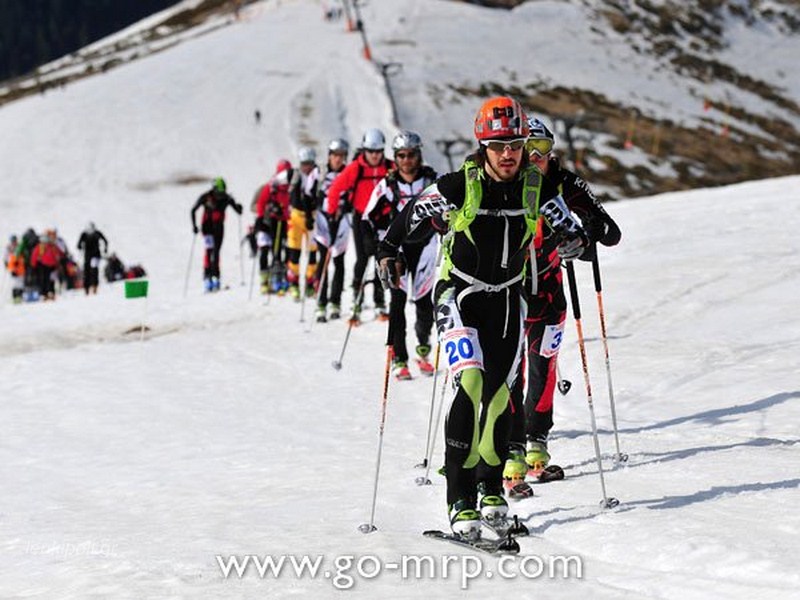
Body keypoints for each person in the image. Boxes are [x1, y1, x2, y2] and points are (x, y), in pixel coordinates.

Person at [377, 97, 588, 537]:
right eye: (497, 145)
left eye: (514, 144)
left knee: (498, 395)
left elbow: (572, 231)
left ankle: (490, 490)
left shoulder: (537, 189)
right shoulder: (460, 185)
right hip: (461, 294)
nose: (508, 153)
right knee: (471, 384)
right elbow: (411, 214)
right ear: (482, 145)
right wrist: (387, 251)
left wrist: (575, 244)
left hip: (509, 300)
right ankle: (458, 497)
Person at [503, 117, 622, 483]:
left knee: (544, 364)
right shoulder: (506, 183)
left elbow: (609, 231)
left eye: (544, 149)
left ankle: (537, 435)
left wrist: (583, 236)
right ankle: (511, 444)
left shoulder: (565, 182)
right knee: (511, 368)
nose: (537, 157)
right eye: (530, 149)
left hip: (551, 291)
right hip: (509, 292)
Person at [365, 130, 438, 380]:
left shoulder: (432, 181)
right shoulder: (387, 184)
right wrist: (380, 246)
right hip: (399, 250)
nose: (407, 160)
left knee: (424, 302)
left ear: (419, 155)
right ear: (395, 158)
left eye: (411, 155)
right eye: (401, 155)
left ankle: (424, 351)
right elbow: (368, 217)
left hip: (426, 246)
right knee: (397, 303)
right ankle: (400, 358)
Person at [324, 128, 395, 323]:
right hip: (361, 218)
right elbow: (335, 189)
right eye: (370, 151)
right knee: (363, 258)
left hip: (383, 218)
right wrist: (331, 214)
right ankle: (357, 300)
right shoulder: (356, 167)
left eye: (378, 151)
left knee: (382, 259)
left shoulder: (389, 167)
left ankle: (380, 301)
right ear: (364, 150)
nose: (374, 155)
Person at [314, 138, 350, 322]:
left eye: (342, 156)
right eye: (335, 155)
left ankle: (335, 302)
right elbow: (309, 193)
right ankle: (321, 302)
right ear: (329, 155)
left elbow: (352, 194)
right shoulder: (319, 172)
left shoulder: (347, 172)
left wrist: (345, 209)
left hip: (341, 220)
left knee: (339, 262)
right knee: (323, 261)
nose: (338, 159)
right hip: (322, 221)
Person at [191, 177, 243, 292]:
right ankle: (207, 277)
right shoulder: (206, 197)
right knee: (209, 251)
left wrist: (239, 208)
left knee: (216, 252)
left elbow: (237, 210)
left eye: (222, 192)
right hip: (207, 228)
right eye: (219, 192)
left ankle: (216, 276)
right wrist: (194, 226)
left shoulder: (226, 198)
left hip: (219, 228)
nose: (221, 195)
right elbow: (193, 210)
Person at [252, 160, 293, 295]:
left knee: (286, 251)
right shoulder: (270, 187)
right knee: (270, 251)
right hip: (269, 223)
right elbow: (259, 204)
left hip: (285, 223)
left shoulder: (291, 188)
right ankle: (267, 279)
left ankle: (284, 277)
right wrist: (267, 212)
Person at [286, 146, 321, 300]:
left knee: (313, 252)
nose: (307, 167)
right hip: (296, 216)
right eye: (304, 163)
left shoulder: (318, 175)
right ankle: (293, 284)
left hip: (313, 217)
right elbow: (275, 181)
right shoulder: (294, 174)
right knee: (295, 252)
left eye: (310, 163)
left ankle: (309, 283)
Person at [30, 229, 64, 300]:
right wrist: (33, 265)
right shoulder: (41, 247)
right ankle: (45, 294)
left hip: (52, 266)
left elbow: (59, 254)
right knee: (45, 280)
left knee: (51, 280)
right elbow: (34, 256)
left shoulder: (52, 246)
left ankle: (50, 293)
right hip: (44, 266)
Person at [77, 222, 109, 294]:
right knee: (86, 271)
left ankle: (94, 286)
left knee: (94, 271)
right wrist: (80, 247)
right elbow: (78, 244)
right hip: (87, 256)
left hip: (95, 255)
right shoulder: (84, 234)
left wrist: (105, 249)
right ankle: (86, 288)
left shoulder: (97, 233)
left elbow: (105, 241)